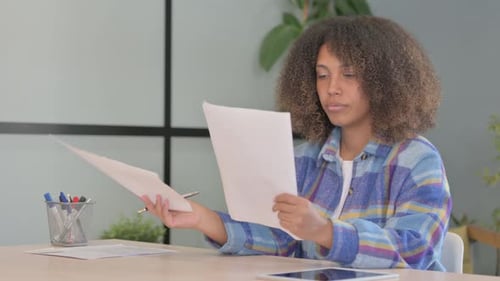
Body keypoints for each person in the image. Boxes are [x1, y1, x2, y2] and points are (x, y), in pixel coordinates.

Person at [142, 15, 452, 271]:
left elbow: (416, 250)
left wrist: (326, 232)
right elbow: (282, 241)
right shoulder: (304, 158)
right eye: (321, 75)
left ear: (385, 81)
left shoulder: (417, 160)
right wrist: (200, 218)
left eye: (348, 74)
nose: (332, 89)